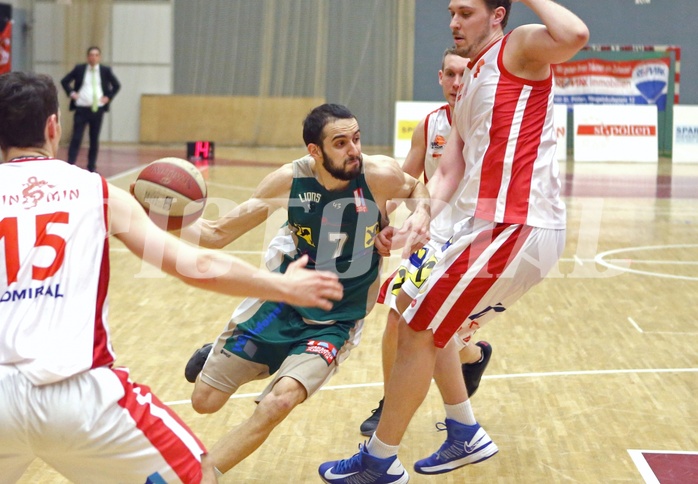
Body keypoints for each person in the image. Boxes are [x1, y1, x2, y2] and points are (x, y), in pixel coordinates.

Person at [0, 71, 344, 484]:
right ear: (54, 126)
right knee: (199, 474)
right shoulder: (96, 191)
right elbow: (198, 266)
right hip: (78, 395)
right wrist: (282, 285)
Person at [319, 1, 589, 482]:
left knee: (420, 327)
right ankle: (465, 432)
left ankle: (379, 460)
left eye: (466, 12)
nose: (454, 22)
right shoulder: (467, 87)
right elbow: (450, 167)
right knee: (410, 306)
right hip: (484, 225)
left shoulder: (520, 46)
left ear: (498, 15)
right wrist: (421, 216)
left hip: (519, 225)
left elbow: (574, 35)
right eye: (451, 12)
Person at [178, 103, 431, 479]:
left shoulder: (378, 174)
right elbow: (217, 234)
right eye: (340, 143)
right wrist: (160, 219)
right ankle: (233, 353)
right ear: (315, 151)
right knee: (204, 402)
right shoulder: (288, 181)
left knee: (280, 401)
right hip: (282, 303)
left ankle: (201, 474)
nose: (354, 150)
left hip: (336, 319)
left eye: (356, 139)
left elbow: (417, 190)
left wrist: (419, 217)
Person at [359, 46, 494, 437]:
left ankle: (475, 356)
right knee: (398, 318)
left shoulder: (489, 124)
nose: (457, 82)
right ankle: (389, 402)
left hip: (477, 242)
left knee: (444, 334)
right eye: (450, 74)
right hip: (433, 238)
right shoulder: (430, 125)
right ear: (440, 78)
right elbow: (401, 183)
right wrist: (383, 223)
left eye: (464, 75)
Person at [60, 46, 120, 172]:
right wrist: (72, 93)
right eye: (91, 55)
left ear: (99, 57)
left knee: (94, 138)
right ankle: (70, 164)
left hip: (97, 109)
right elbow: (65, 81)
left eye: (96, 55)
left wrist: (108, 97)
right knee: (76, 137)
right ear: (88, 57)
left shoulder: (105, 70)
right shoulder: (80, 69)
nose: (93, 57)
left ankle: (91, 166)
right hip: (81, 108)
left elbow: (116, 85)